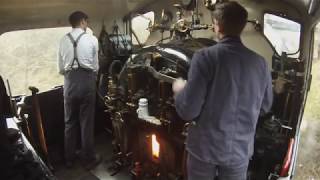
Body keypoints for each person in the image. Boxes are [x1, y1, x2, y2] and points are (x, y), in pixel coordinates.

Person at [172, 1, 273, 180]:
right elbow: (264, 107)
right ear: (242, 26)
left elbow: (188, 111)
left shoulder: (204, 57)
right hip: (239, 150)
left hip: (204, 150)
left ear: (217, 25)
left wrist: (180, 90)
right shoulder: (260, 63)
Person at [58, 11, 100, 169]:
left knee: (69, 122)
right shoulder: (92, 40)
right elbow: (96, 67)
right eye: (86, 22)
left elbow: (61, 69)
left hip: (69, 83)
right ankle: (88, 158)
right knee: (86, 122)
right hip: (86, 82)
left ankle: (69, 159)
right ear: (83, 22)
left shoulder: (63, 40)